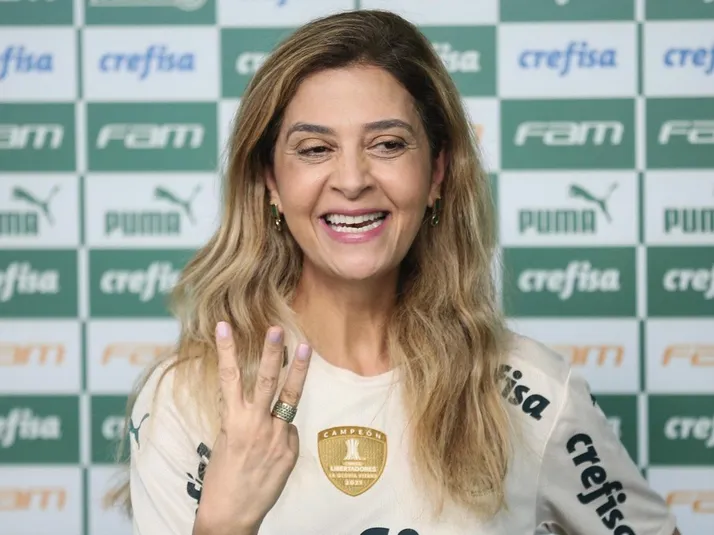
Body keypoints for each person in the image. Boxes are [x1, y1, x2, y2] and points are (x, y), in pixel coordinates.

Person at [107, 9, 682, 535]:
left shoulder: (530, 392)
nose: (352, 180)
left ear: (437, 173)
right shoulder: (188, 397)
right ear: (270, 183)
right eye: (315, 149)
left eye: (387, 144)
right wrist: (223, 525)